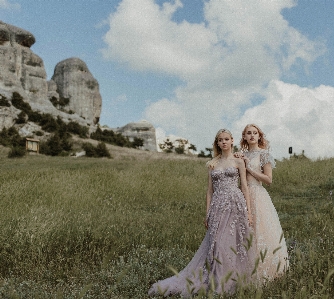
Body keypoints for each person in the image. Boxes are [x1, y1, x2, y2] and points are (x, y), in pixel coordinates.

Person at [148, 129, 255, 297]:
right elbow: (209, 191)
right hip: (218, 206)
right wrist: (208, 212)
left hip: (236, 204)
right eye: (220, 140)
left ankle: (233, 281)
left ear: (232, 140)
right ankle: (217, 280)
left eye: (227, 139)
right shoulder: (213, 164)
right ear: (217, 143)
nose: (224, 142)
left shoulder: (239, 161)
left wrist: (249, 212)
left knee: (234, 243)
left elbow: (244, 187)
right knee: (217, 244)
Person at [237, 124, 289, 284]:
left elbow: (269, 180)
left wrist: (249, 168)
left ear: (259, 136)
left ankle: (267, 271)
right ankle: (243, 270)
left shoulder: (264, 154)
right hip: (243, 195)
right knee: (245, 231)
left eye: (255, 133)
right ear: (244, 137)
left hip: (258, 195)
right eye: (248, 133)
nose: (252, 135)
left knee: (262, 231)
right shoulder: (241, 154)